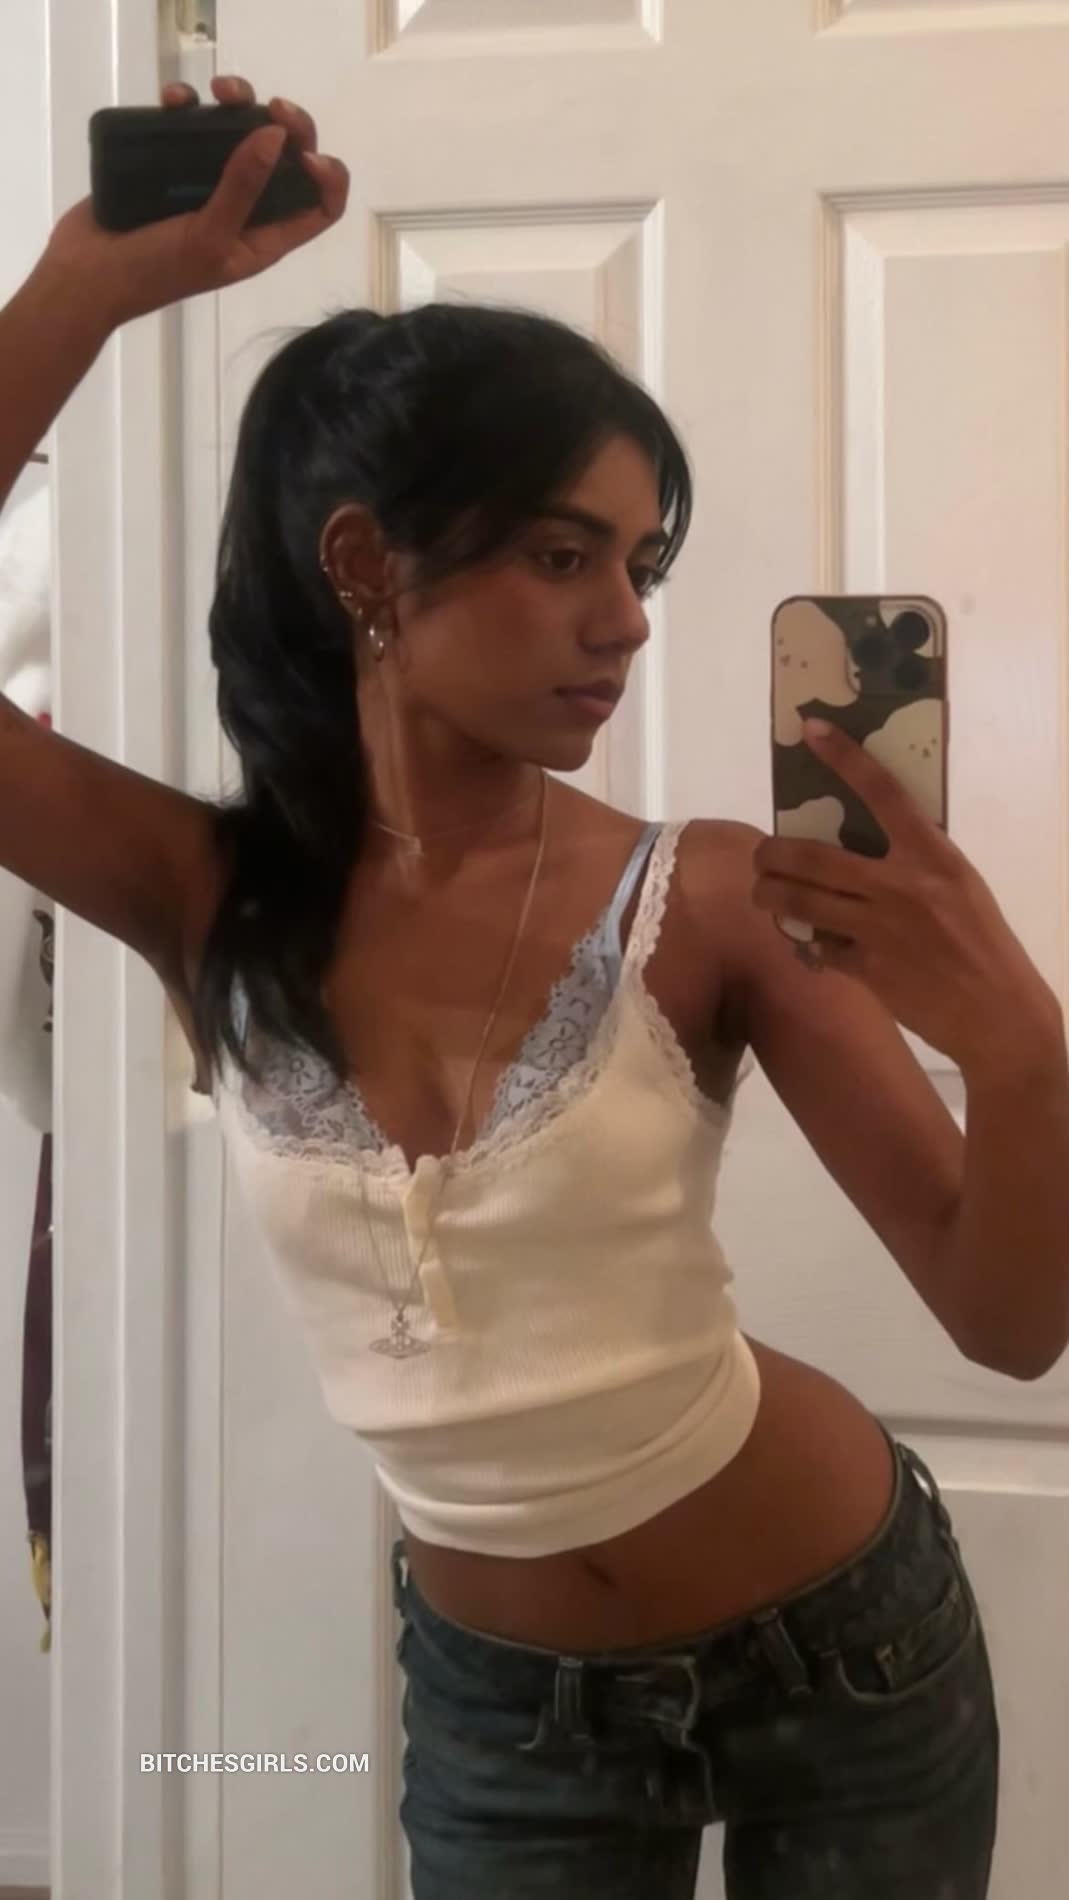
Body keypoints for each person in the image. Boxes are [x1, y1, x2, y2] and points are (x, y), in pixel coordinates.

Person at [3, 71, 1068, 1900]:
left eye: (638, 566)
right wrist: (83, 289)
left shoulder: (708, 898)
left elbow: (1008, 1323)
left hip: (845, 1651)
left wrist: (1027, 1057)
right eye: (563, 555)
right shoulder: (205, 894)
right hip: (508, 1715)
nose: (627, 619)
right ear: (367, 566)